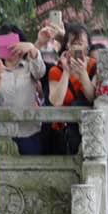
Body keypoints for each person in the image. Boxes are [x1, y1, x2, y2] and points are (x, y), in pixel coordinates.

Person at [0, 24, 47, 154]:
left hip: (29, 131)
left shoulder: (30, 67)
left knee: (32, 171)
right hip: (2, 135)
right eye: (6, 44)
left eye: (14, 43)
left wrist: (32, 48)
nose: (12, 48)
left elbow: (40, 72)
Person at [45, 23, 96, 153]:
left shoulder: (95, 66)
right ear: (67, 45)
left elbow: (92, 97)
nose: (77, 46)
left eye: (81, 42)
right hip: (63, 132)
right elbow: (56, 102)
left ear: (88, 46)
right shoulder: (57, 70)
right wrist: (66, 71)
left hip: (88, 131)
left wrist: (83, 72)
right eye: (73, 42)